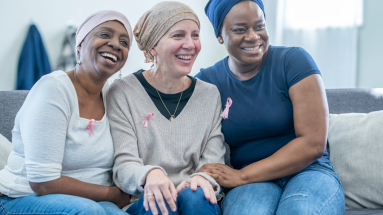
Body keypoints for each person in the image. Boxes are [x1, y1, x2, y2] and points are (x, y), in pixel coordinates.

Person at [195, 0, 346, 214]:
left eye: (260, 26)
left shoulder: (293, 61)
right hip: (252, 183)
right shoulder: (208, 81)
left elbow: (313, 144)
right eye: (240, 29)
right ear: (219, 35)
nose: (254, 36)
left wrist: (240, 176)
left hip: (308, 171)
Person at [0, 10, 133, 215]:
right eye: (105, 35)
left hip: (90, 200)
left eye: (124, 42)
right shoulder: (53, 89)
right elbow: (43, 183)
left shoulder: (113, 96)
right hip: (22, 197)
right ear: (79, 46)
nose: (116, 44)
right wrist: (114, 195)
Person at [106, 2, 225, 215]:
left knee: (195, 195)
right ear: (153, 46)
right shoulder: (122, 92)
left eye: (195, 35)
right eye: (178, 35)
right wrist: (150, 174)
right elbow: (124, 166)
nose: (190, 45)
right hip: (145, 201)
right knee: (159, 200)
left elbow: (213, 162)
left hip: (195, 198)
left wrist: (201, 178)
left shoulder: (209, 94)